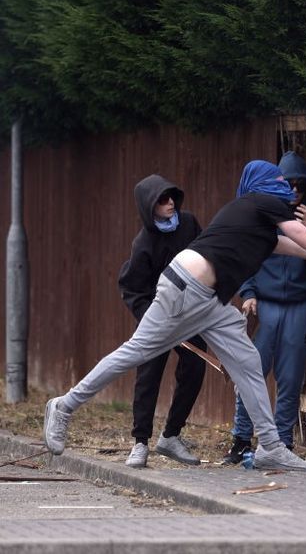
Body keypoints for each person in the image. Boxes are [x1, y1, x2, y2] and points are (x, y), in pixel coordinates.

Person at [43, 160, 306, 470]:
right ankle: (64, 405)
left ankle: (269, 445)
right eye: (278, 178)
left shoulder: (261, 227)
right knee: (134, 353)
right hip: (183, 291)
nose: (286, 185)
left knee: (248, 362)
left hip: (210, 301)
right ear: (263, 184)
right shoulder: (260, 202)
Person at [224, 151, 306, 464]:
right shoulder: (264, 211)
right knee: (251, 373)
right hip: (264, 304)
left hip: (298, 304)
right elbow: (247, 254)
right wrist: (248, 292)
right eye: (290, 184)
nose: (295, 190)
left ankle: (282, 443)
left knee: (291, 377)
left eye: (301, 185)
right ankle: (241, 439)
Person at [118, 175, 207, 468]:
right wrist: (152, 321)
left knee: (194, 366)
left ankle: (171, 436)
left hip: (188, 315)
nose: (170, 203)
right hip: (154, 317)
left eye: (172, 197)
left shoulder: (190, 224)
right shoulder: (143, 243)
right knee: (148, 375)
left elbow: (206, 259)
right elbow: (132, 288)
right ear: (149, 206)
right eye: (162, 199)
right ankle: (140, 442)